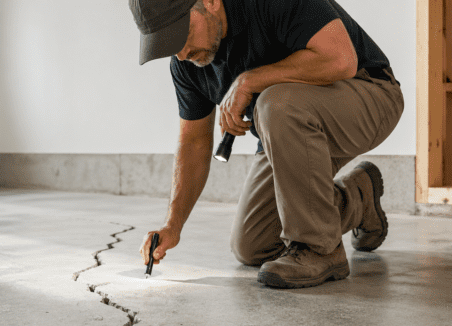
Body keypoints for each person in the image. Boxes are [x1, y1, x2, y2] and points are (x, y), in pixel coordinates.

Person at [130, 0, 404, 288]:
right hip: (289, 127)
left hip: (370, 95)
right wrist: (173, 225)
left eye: (181, 35)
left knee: (275, 104)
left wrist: (249, 81)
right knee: (253, 244)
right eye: (168, 44)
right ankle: (358, 198)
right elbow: (194, 142)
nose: (182, 53)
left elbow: (340, 59)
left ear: (209, 2)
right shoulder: (188, 64)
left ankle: (320, 249)